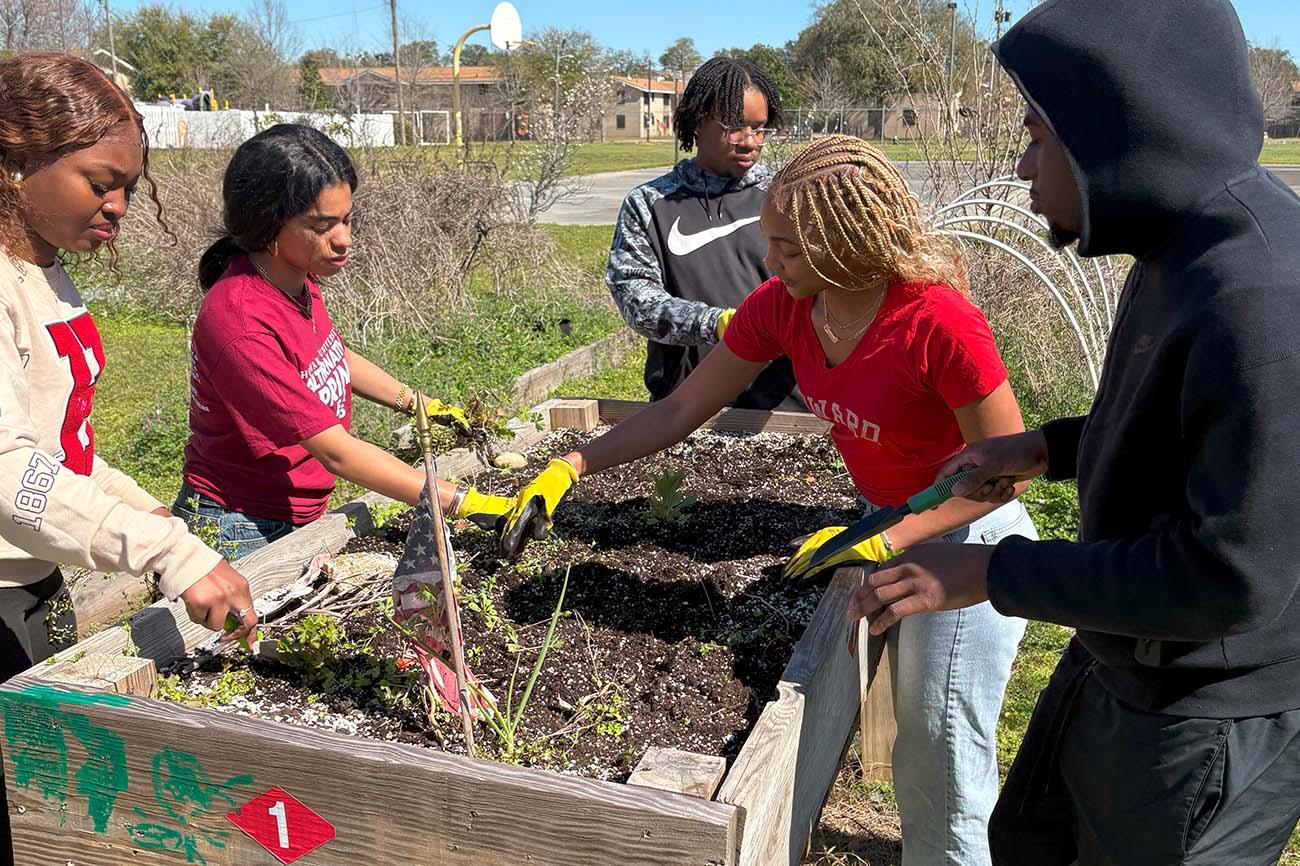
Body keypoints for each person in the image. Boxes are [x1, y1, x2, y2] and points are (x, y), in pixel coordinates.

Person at [500, 135, 1038, 866]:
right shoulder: (788, 306)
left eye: (784, 247)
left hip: (969, 543)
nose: (770, 262)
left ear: (844, 244)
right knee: (920, 746)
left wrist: (890, 540)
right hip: (892, 529)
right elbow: (683, 406)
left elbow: (1006, 473)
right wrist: (571, 463)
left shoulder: (936, 322)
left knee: (942, 754)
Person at [851, 1, 1300, 864]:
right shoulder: (1178, 248)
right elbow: (1184, 427)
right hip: (1126, 659)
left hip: (1202, 716)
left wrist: (991, 570)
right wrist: (1050, 447)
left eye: (1037, 139)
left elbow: (1229, 577)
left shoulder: (1261, 298)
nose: (1022, 168)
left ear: (1118, 130)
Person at [0, 52, 258, 685]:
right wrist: (167, 552)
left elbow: (61, 453)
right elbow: (6, 471)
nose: (117, 205)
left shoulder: (45, 273)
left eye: (128, 189)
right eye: (99, 182)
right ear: (13, 164)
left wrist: (147, 515)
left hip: (36, 577)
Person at [176, 124, 511, 559]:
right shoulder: (239, 320)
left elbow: (333, 356)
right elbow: (338, 454)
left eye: (347, 219)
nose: (344, 240)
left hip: (292, 510)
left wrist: (422, 405)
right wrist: (466, 504)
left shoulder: (295, 276)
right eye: (322, 225)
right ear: (266, 224)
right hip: (239, 525)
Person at [608, 55, 799, 410]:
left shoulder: (786, 194)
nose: (750, 141)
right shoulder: (649, 204)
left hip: (784, 409)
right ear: (698, 122)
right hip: (684, 409)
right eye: (734, 127)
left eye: (759, 128)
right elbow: (637, 301)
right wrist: (721, 324)